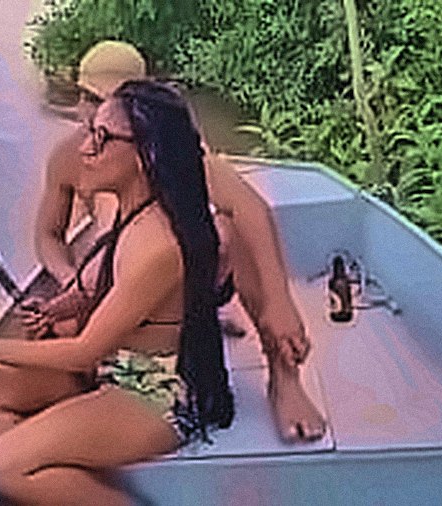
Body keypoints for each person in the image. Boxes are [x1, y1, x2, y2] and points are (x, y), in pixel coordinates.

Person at [0, 81, 234, 505]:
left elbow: (83, 352)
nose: (84, 148)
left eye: (102, 138)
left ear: (144, 156)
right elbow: (97, 287)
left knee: (6, 464)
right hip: (107, 370)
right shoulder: (130, 214)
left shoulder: (158, 244)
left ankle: (53, 476)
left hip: (153, 396)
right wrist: (56, 307)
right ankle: (60, 483)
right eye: (88, 132)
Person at [35, 40, 325, 442]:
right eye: (86, 97)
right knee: (56, 325)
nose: (92, 111)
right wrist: (70, 280)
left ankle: (283, 373)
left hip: (179, 275)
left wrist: (280, 303)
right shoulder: (70, 156)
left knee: (231, 229)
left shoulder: (172, 148)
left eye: (106, 101)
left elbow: (251, 209)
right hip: (111, 278)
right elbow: (48, 236)